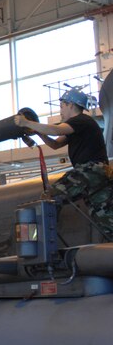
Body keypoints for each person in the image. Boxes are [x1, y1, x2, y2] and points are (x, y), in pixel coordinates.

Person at [15, 87, 112, 235]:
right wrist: (37, 132)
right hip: (99, 176)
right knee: (104, 217)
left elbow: (56, 131)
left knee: (50, 196)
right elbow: (55, 144)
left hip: (91, 171)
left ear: (71, 105)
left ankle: (44, 237)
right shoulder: (79, 127)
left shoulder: (81, 120)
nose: (60, 111)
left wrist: (26, 123)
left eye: (62, 107)